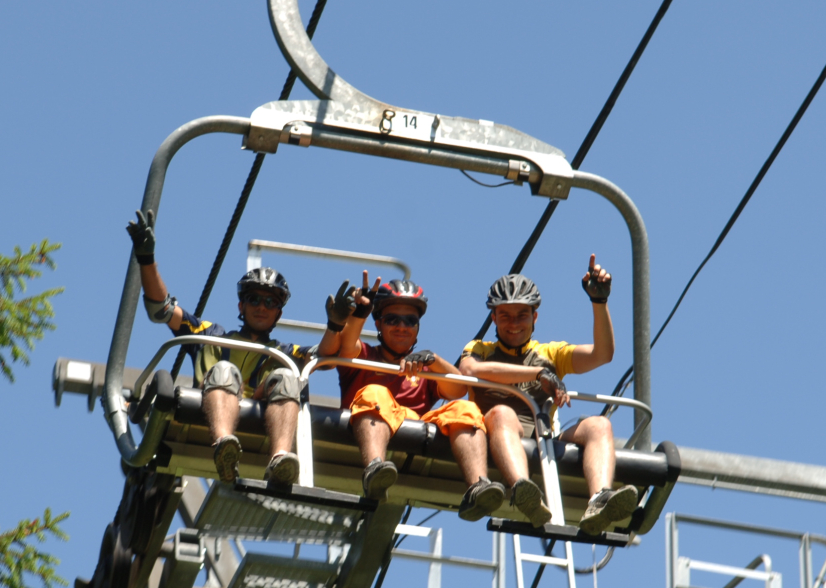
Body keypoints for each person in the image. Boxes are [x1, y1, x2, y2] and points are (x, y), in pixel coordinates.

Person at [126, 209, 339, 484]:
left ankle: (279, 459)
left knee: (288, 377)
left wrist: (337, 324)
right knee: (224, 370)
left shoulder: (285, 353)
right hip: (212, 406)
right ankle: (223, 445)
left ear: (279, 314)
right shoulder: (210, 335)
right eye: (254, 299)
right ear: (242, 305)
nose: (262, 307)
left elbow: (326, 357)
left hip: (262, 407)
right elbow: (161, 309)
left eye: (271, 302)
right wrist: (146, 258)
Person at [455, 256, 639, 535]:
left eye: (522, 315)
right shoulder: (480, 348)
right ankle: (523, 490)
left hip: (544, 437)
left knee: (600, 424)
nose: (513, 323)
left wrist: (599, 303)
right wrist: (536, 375)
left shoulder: (549, 354)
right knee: (503, 413)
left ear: (534, 316)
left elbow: (602, 355)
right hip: (498, 430)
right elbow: (469, 369)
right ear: (493, 317)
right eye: (504, 315)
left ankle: (599, 499)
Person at [330, 273, 507, 520]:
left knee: (465, 409)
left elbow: (458, 389)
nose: (402, 327)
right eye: (392, 319)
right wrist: (360, 312)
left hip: (413, 421)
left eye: (410, 321)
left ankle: (478, 487)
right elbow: (347, 346)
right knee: (376, 392)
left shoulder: (424, 369)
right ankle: (374, 469)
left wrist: (433, 360)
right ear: (378, 324)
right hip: (369, 419)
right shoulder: (364, 355)